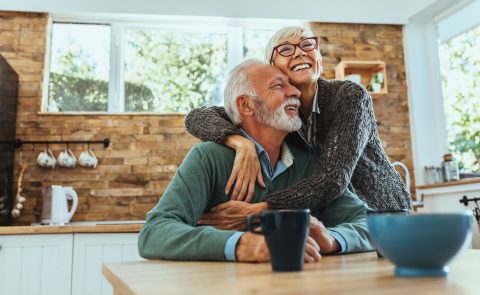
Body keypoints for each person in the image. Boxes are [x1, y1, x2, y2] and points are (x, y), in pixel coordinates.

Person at [138, 59, 373, 262]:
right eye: (279, 86)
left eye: (291, 85)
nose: (296, 93)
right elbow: (154, 232)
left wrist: (332, 239)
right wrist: (244, 245)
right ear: (246, 105)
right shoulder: (208, 158)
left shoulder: (310, 165)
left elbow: (369, 223)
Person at [185, 26, 411, 224]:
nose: (300, 52)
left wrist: (262, 210)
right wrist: (241, 143)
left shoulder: (349, 96)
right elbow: (197, 117)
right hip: (333, 219)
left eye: (306, 45)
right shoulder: (275, 113)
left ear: (318, 57)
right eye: (285, 49)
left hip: (381, 213)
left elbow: (332, 179)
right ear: (272, 67)